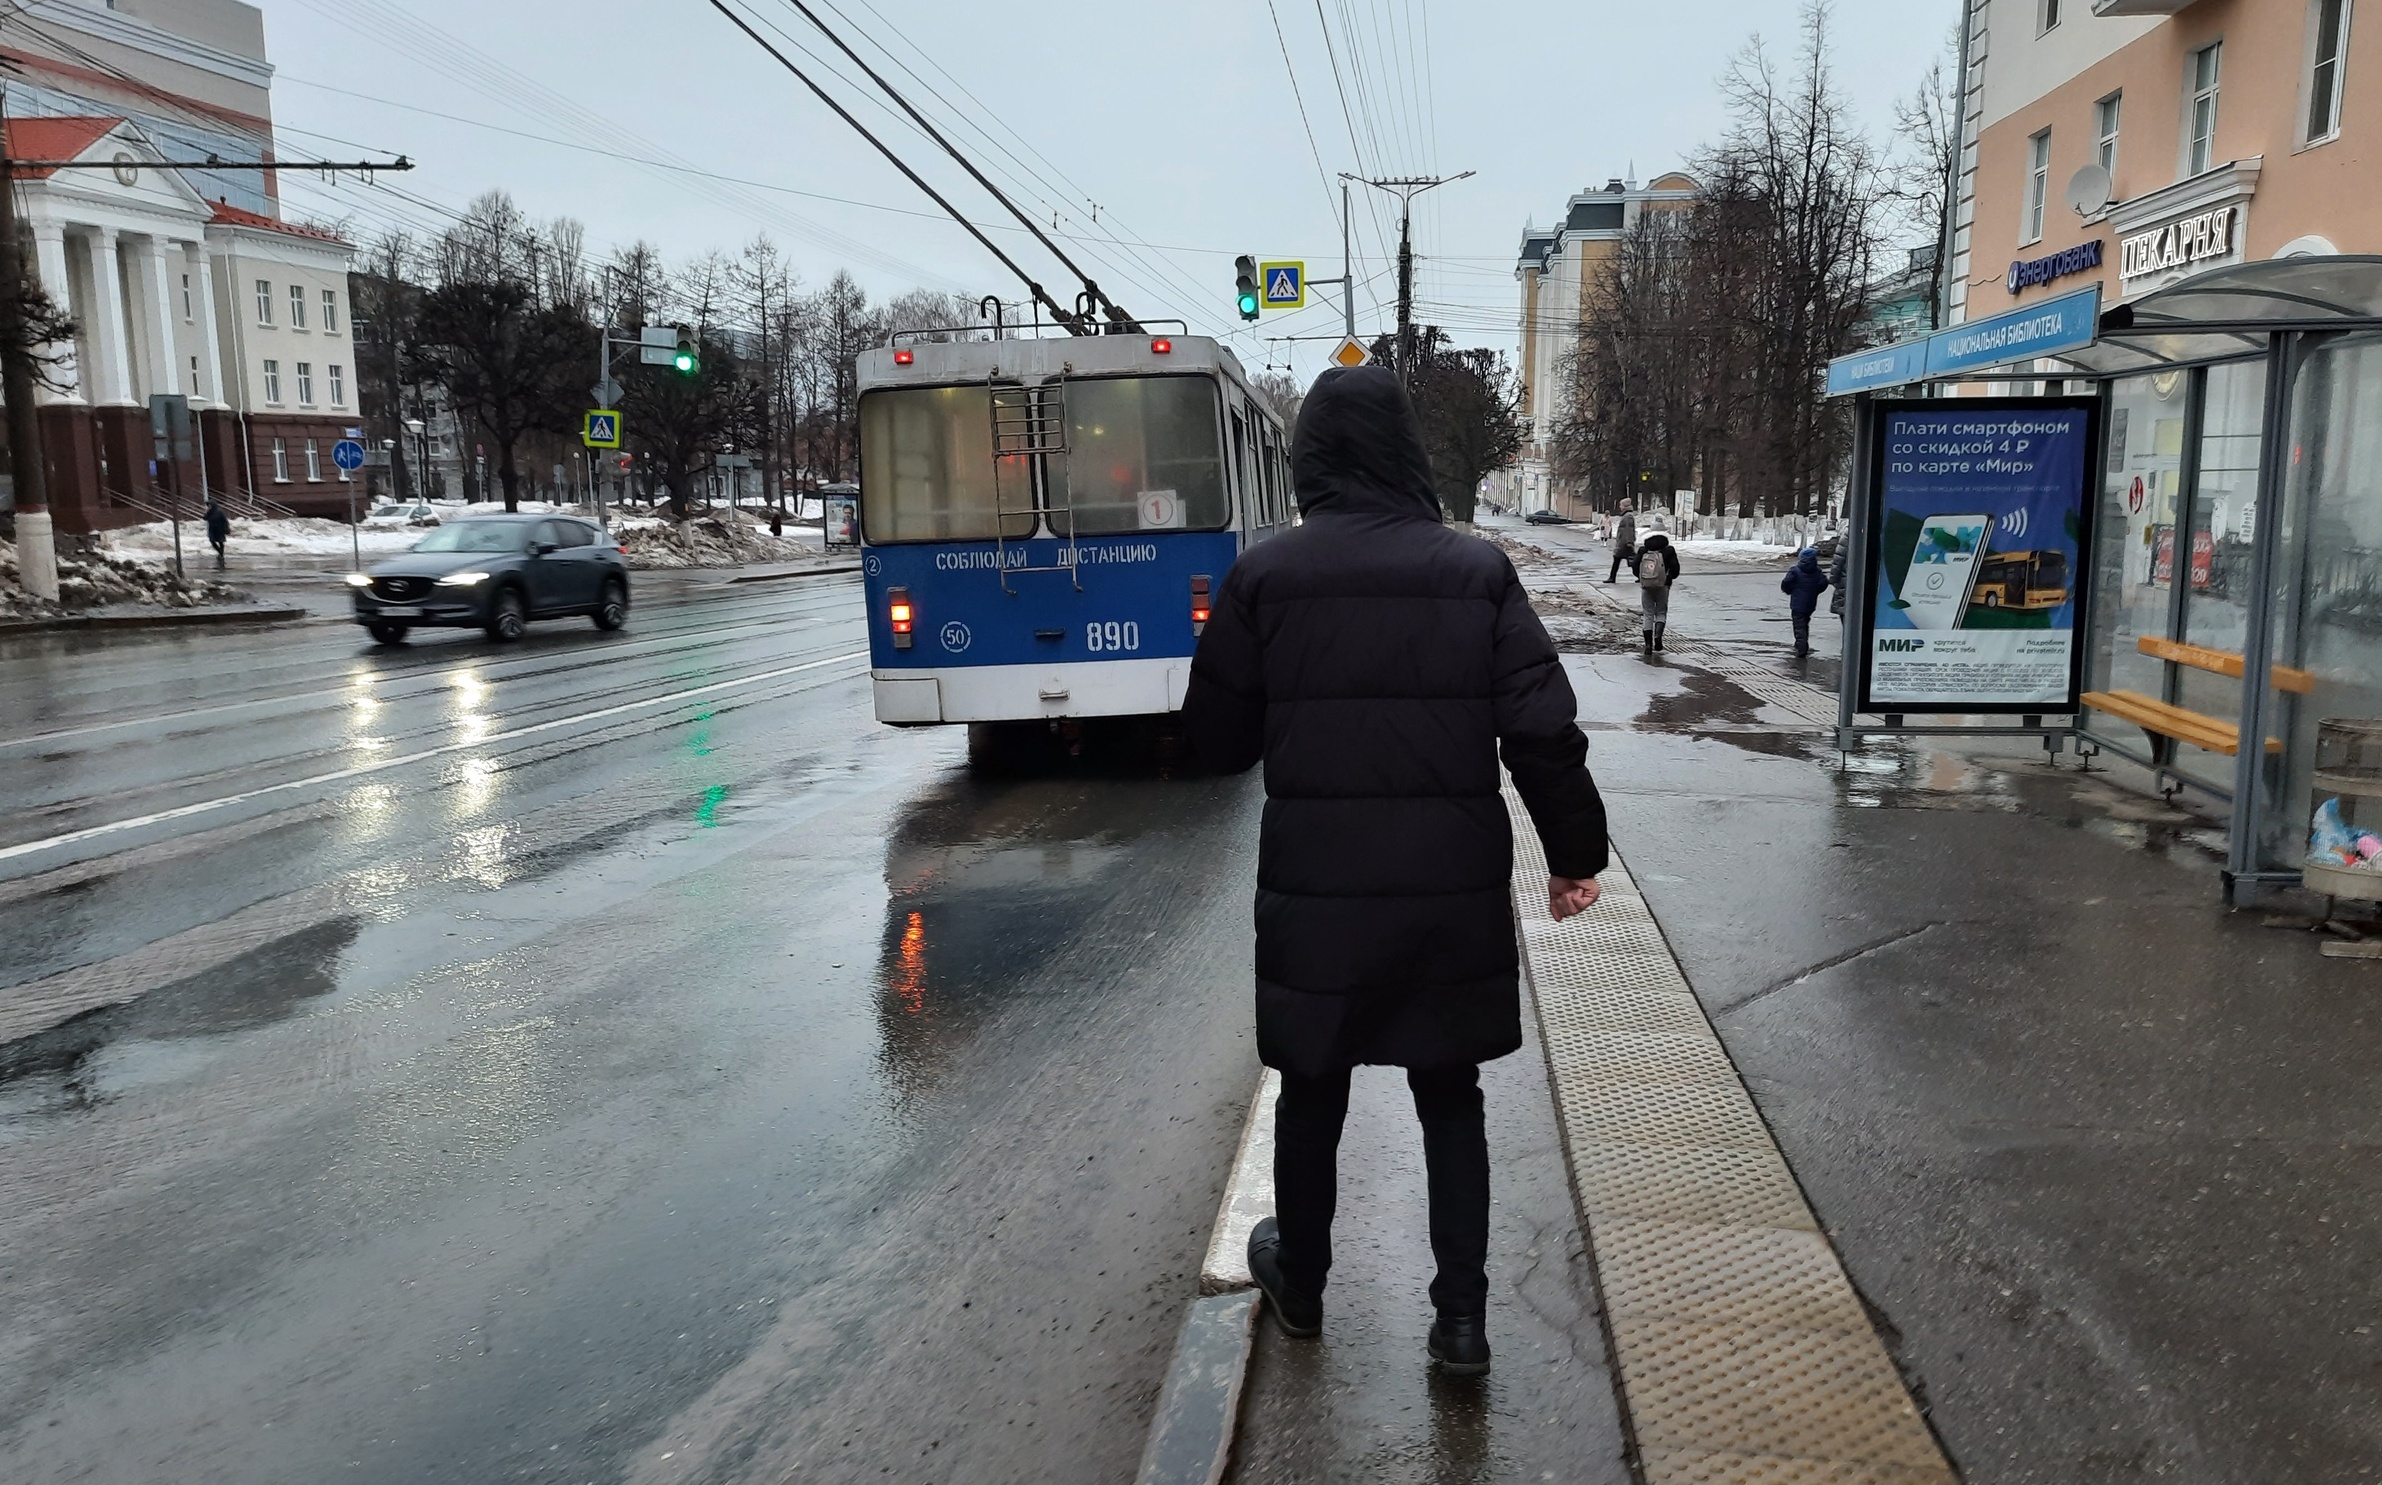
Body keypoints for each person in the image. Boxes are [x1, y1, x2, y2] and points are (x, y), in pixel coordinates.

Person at [1183, 365, 1609, 1379]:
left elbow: (1216, 746)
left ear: (1311, 459)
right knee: (1448, 1090)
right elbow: (1542, 730)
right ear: (1408, 455)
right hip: (1446, 889)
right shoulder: (1476, 573)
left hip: (1316, 890)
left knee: (1313, 1086)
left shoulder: (1264, 577)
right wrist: (1574, 856)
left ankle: (1306, 1286)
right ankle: (1460, 1323)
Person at [1781, 546, 1831, 657]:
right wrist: (1815, 591)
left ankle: (1801, 648)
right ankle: (1802, 644)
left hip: (1797, 603)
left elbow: (1786, 583)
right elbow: (1824, 583)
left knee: (1799, 626)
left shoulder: (1795, 570)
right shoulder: (1817, 571)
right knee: (1805, 623)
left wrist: (1789, 591)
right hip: (1810, 603)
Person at [1636, 530, 1679, 653]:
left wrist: (1642, 579)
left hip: (1646, 586)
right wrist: (1668, 578)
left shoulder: (1643, 551)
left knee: (1648, 614)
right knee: (1661, 612)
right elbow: (1675, 569)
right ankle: (1658, 636)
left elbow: (1635, 566)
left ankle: (1648, 645)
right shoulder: (1668, 551)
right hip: (1663, 586)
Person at [1606, 502, 1637, 584]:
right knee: (1632, 560)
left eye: (1621, 505)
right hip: (1624, 542)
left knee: (1621, 559)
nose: (1620, 507)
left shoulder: (1628, 516)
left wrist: (1629, 542)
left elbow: (1628, 529)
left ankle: (1612, 578)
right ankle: (1641, 576)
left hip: (1625, 543)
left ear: (1625, 506)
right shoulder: (1626, 515)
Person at [204, 498, 230, 571]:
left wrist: (227, 528)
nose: (209, 506)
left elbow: (225, 520)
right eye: (208, 505)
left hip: (220, 529)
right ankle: (220, 552)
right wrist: (207, 512)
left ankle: (221, 555)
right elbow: (204, 518)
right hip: (212, 529)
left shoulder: (219, 512)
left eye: (210, 505)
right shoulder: (209, 512)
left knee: (221, 542)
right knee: (212, 541)